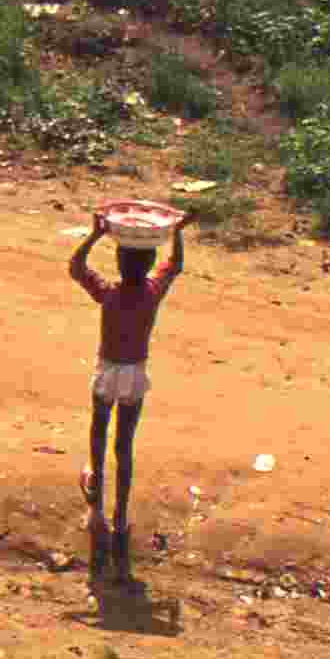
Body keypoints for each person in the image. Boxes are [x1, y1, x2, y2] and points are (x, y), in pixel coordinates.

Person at [69, 208, 194, 585]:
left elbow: (76, 267)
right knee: (125, 446)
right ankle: (121, 517)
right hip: (135, 373)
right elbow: (176, 265)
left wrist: (95, 234)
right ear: (148, 263)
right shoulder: (152, 293)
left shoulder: (108, 294)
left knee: (98, 432)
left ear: (120, 264)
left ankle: (96, 508)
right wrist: (178, 231)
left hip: (109, 370)